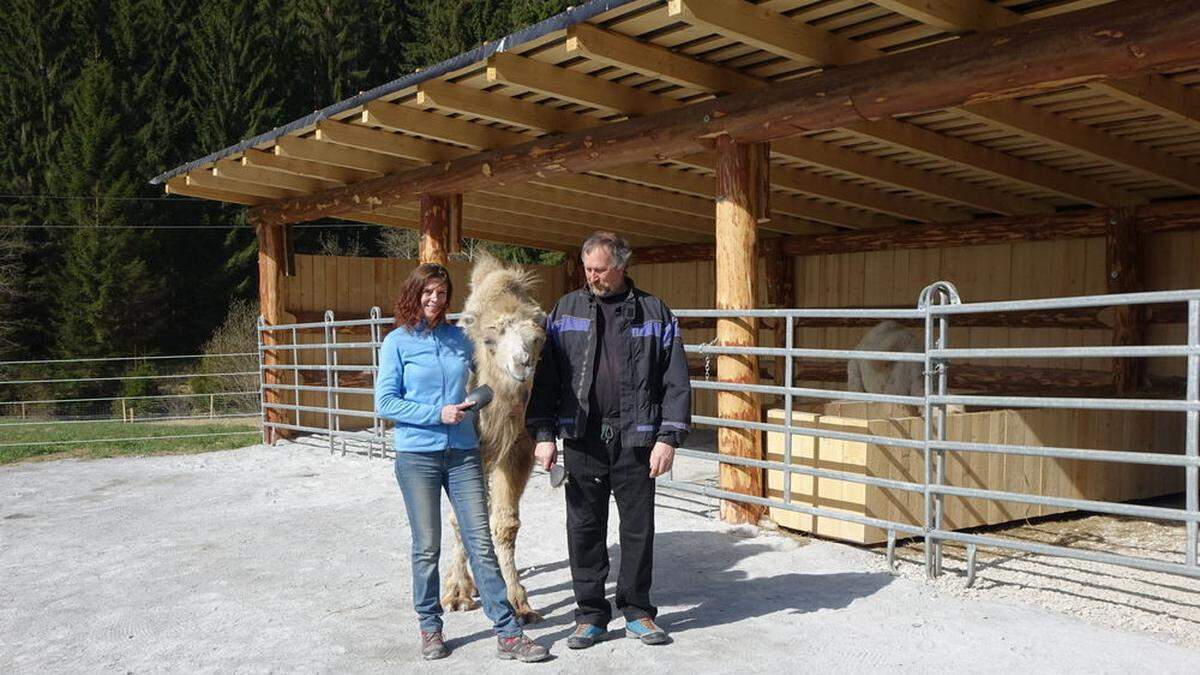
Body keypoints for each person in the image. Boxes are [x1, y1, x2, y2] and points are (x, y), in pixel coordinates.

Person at [375, 263, 548, 663]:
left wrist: (504, 398)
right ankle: (431, 629)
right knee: (426, 547)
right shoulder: (397, 343)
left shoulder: (460, 339)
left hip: (462, 451)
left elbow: (484, 383)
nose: (434, 300)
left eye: (440, 293)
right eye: (427, 293)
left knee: (481, 541)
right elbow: (384, 403)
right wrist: (438, 414)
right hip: (417, 453)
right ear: (413, 295)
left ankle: (508, 633)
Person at [526, 232, 691, 649]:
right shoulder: (565, 310)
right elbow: (547, 381)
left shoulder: (655, 312)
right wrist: (544, 434)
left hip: (637, 437)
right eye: (587, 269)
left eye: (599, 269)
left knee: (637, 529)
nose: (592, 276)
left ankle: (637, 610)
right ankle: (590, 615)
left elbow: (676, 381)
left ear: (621, 266)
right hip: (582, 437)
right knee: (584, 527)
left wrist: (668, 437)